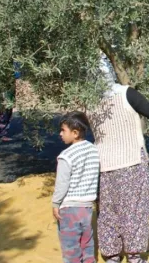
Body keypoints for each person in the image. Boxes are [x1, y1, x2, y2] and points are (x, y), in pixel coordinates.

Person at [90, 56, 149, 263]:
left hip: (104, 163)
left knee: (108, 210)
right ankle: (133, 256)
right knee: (134, 210)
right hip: (131, 160)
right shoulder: (125, 93)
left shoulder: (89, 100)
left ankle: (112, 255)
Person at [52, 111, 100, 263]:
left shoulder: (66, 156)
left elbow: (62, 184)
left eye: (63, 130)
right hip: (87, 208)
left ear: (75, 133)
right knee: (87, 243)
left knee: (70, 246)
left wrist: (55, 203)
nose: (60, 134)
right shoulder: (94, 150)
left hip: (69, 209)